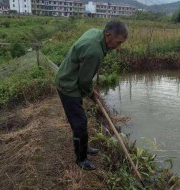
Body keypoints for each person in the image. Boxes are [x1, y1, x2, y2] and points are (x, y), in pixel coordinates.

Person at [54, 20, 128, 170]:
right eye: (118, 42)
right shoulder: (94, 51)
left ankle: (84, 146)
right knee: (80, 124)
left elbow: (85, 78)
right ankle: (81, 159)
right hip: (68, 86)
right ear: (108, 35)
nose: (118, 46)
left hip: (70, 77)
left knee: (80, 119)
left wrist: (89, 90)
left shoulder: (95, 32)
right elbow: (84, 80)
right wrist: (91, 93)